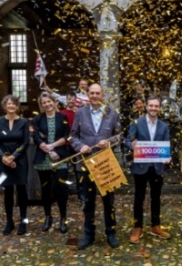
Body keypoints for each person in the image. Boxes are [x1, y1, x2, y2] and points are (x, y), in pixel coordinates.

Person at [70, 83, 122, 249]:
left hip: (105, 164)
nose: (94, 96)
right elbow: (72, 136)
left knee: (109, 202)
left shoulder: (112, 113)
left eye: (97, 93)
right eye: (91, 93)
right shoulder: (80, 112)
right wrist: (80, 146)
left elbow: (119, 136)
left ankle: (111, 233)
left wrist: (109, 142)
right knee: (88, 202)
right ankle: (88, 234)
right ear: (88, 94)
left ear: (102, 95)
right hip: (86, 164)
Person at [125, 96, 171, 244]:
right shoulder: (137, 123)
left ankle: (155, 226)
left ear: (159, 108)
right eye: (151, 105)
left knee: (156, 197)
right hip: (141, 167)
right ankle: (138, 227)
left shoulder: (164, 126)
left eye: (156, 106)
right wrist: (131, 145)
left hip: (157, 167)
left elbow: (166, 145)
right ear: (146, 106)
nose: (153, 108)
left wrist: (167, 157)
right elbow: (127, 140)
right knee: (139, 198)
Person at [0, 95, 30, 235]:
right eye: (8, 104)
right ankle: (9, 222)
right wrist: (3, 156)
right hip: (3, 161)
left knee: (21, 191)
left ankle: (23, 221)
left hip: (20, 160)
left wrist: (14, 156)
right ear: (4, 106)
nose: (11, 106)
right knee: (7, 191)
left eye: (13, 104)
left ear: (17, 106)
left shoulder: (24, 122)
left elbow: (26, 142)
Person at [32, 92, 70, 234]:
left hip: (60, 157)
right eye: (44, 103)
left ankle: (63, 218)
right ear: (41, 105)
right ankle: (48, 216)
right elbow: (35, 136)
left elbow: (67, 136)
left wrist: (53, 146)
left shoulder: (63, 117)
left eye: (49, 102)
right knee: (46, 189)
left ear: (54, 102)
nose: (47, 104)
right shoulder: (38, 119)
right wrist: (48, 150)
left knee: (61, 188)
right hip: (44, 157)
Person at [59, 90, 84, 206]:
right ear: (66, 100)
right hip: (65, 145)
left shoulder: (80, 112)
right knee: (64, 171)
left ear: (76, 100)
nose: (71, 101)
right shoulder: (61, 113)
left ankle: (81, 195)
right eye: (69, 99)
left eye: (73, 99)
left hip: (77, 145)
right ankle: (65, 195)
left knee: (79, 170)